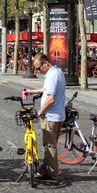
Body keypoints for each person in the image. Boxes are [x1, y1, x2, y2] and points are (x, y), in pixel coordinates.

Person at [25, 53, 66, 181]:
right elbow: (47, 89)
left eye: (38, 68)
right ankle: (45, 169)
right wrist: (31, 91)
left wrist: (40, 111)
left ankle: (52, 173)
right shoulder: (57, 72)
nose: (37, 71)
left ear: (46, 63)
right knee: (48, 144)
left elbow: (51, 98)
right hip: (57, 115)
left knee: (50, 145)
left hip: (51, 116)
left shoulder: (52, 75)